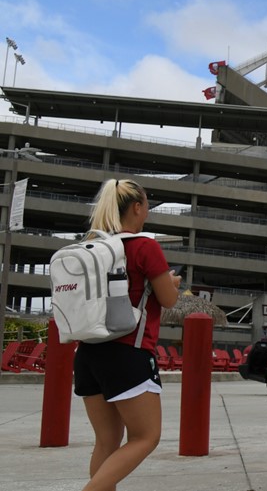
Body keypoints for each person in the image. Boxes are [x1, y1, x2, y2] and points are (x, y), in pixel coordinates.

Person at [73, 179, 181, 491]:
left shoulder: (91, 247)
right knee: (146, 437)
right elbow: (169, 300)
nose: (147, 210)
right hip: (128, 352)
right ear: (136, 207)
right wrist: (170, 283)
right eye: (147, 204)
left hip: (88, 353)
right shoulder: (144, 246)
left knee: (106, 443)